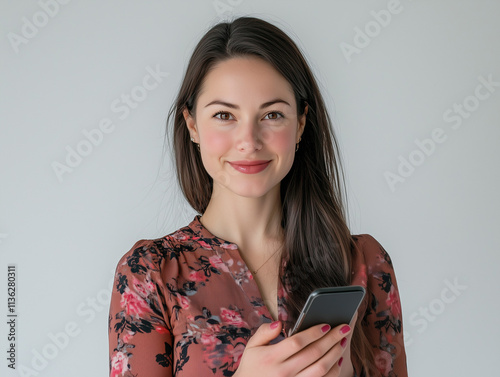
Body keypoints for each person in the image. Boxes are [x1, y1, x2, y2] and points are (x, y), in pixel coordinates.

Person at [108, 16, 408, 377]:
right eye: (224, 115)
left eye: (272, 114)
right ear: (192, 125)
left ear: (300, 124)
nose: (249, 141)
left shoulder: (365, 263)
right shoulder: (149, 274)